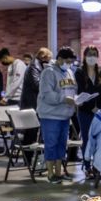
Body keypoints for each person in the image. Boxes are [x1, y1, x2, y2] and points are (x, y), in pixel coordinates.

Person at [37, 47, 78, 184]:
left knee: (62, 144)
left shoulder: (70, 72)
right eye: (67, 61)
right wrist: (64, 98)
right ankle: (50, 173)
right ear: (59, 59)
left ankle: (59, 172)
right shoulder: (48, 72)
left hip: (65, 115)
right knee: (51, 143)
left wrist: (76, 99)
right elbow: (47, 94)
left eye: (71, 61)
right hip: (50, 115)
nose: (69, 63)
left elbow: (72, 90)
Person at [75, 46, 101, 178]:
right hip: (85, 111)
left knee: (99, 140)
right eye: (89, 54)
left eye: (94, 54)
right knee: (88, 139)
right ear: (84, 56)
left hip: (100, 112)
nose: (92, 56)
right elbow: (80, 93)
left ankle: (97, 168)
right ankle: (87, 167)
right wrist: (91, 107)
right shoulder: (79, 72)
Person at [20, 47, 53, 164]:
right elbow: (37, 85)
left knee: (34, 133)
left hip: (35, 104)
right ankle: (27, 159)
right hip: (30, 105)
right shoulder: (34, 67)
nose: (49, 62)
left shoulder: (38, 66)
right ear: (43, 57)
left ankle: (32, 159)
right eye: (48, 59)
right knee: (31, 133)